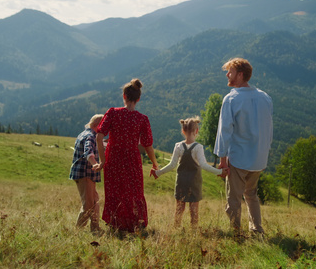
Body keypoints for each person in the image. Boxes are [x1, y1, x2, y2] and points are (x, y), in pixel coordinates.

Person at [214, 57, 273, 235]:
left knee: (234, 198)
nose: (227, 74)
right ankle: (257, 231)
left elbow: (224, 131)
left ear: (240, 75)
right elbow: (269, 128)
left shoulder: (231, 99)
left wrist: (223, 160)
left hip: (239, 158)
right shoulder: (265, 97)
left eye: (230, 72)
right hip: (259, 159)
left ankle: (235, 232)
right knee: (251, 195)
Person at [94, 78, 159, 233]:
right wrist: (155, 163)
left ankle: (115, 225)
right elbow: (148, 145)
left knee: (114, 192)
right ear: (138, 99)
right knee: (134, 193)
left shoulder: (112, 113)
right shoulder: (142, 119)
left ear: (124, 96)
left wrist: (102, 161)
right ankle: (135, 224)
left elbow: (99, 136)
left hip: (113, 158)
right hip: (132, 160)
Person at [149, 116, 228, 228]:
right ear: (196, 131)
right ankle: (194, 230)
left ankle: (176, 227)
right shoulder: (198, 147)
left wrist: (158, 173)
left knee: (179, 208)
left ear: (183, 131)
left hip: (181, 182)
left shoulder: (178, 146)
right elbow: (204, 165)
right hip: (194, 183)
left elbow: (172, 165)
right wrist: (219, 171)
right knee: (194, 209)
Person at [69, 114, 104, 234]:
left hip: (85, 174)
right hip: (85, 174)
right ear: (97, 125)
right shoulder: (90, 136)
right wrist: (95, 164)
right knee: (88, 205)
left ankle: (95, 229)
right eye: (103, 126)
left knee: (95, 202)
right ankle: (77, 231)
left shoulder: (85, 134)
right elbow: (88, 152)